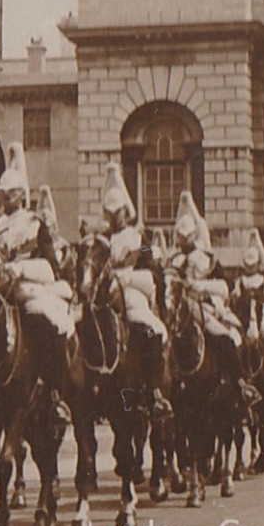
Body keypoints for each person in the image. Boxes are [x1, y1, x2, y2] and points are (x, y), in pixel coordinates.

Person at [0, 143, 75, 430]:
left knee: (46, 323)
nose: (7, 198)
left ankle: (56, 393)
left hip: (29, 289)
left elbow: (51, 268)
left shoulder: (36, 224)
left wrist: (19, 269)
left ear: (22, 194)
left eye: (11, 193)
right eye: (3, 194)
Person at [168, 192, 258, 405]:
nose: (183, 241)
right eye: (181, 237)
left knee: (225, 338)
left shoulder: (207, 259)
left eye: (187, 237)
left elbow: (226, 287)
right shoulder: (173, 260)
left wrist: (201, 286)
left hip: (203, 306)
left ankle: (240, 385)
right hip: (176, 306)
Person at [99, 162, 171, 417]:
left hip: (132, 295)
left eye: (115, 212)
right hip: (104, 294)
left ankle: (153, 390)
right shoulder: (102, 240)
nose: (111, 217)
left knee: (153, 330)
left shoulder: (140, 239)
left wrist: (126, 275)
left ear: (125, 211)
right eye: (108, 213)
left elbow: (154, 269)